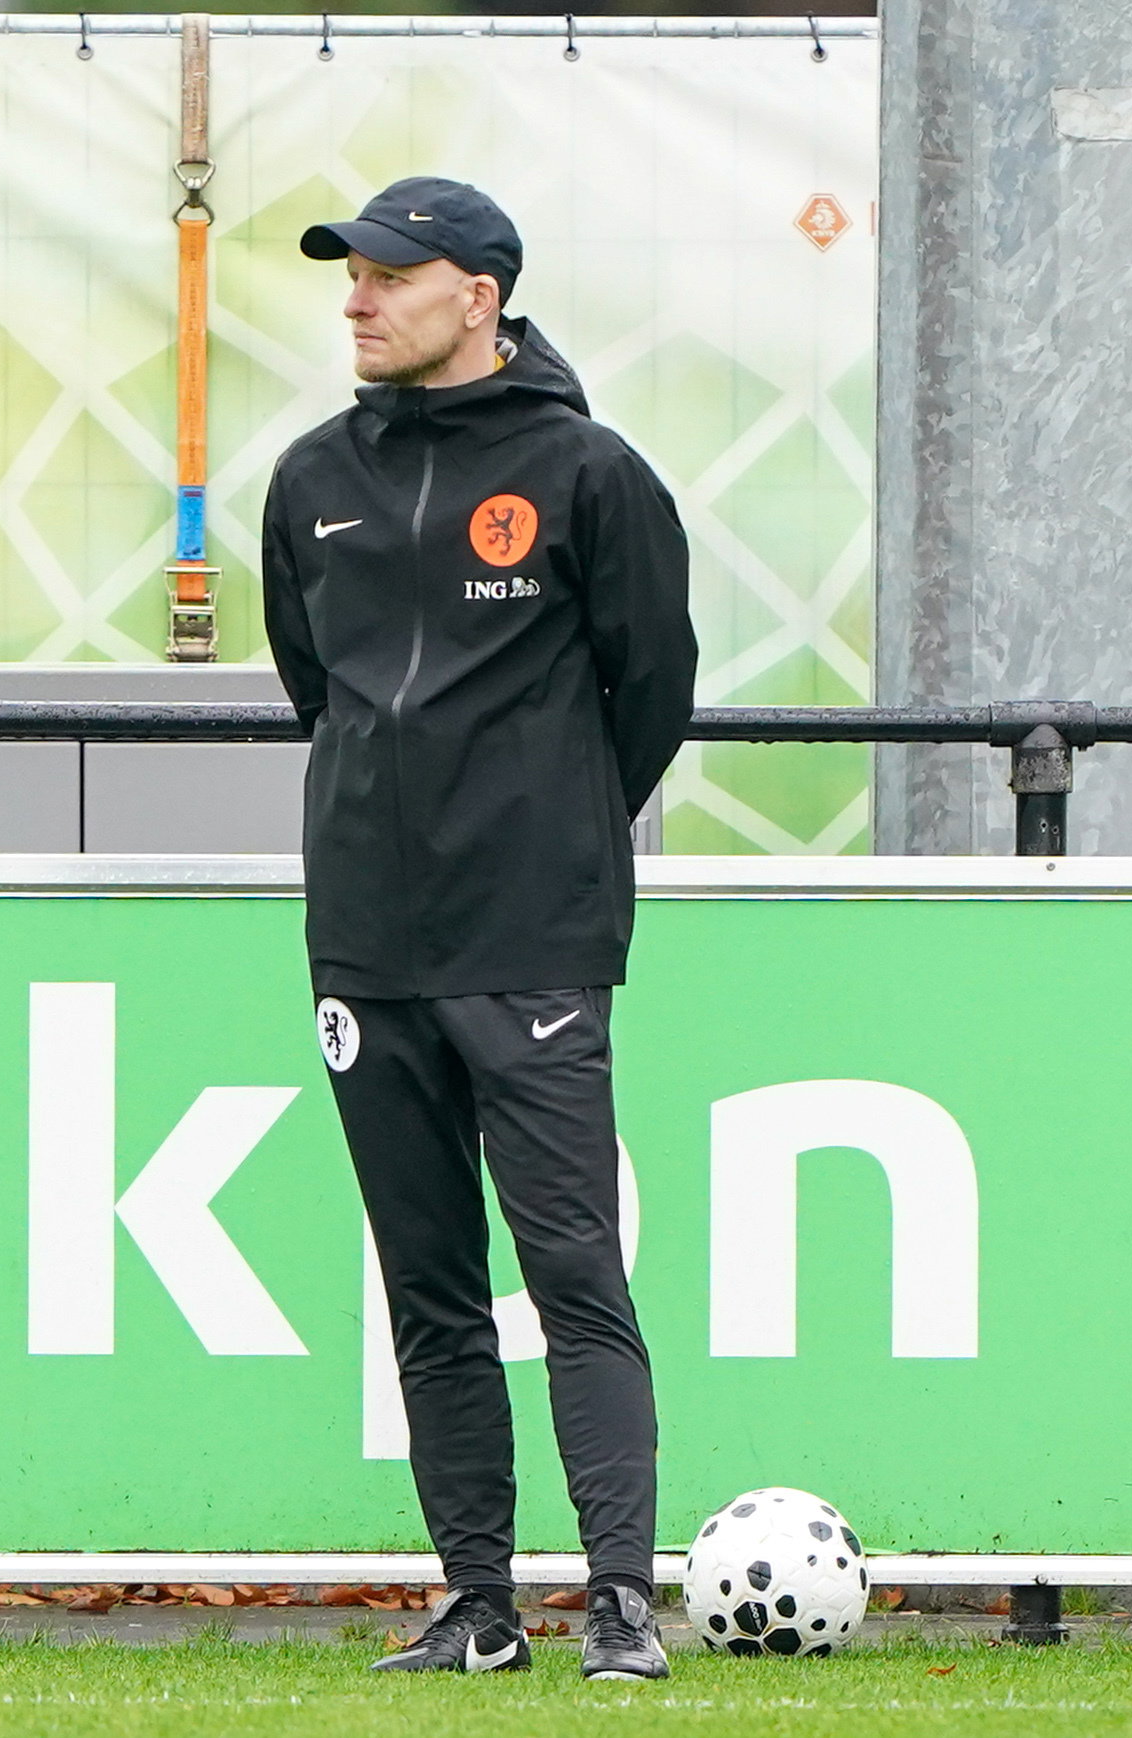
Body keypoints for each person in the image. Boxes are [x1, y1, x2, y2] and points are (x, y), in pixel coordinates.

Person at [259, 177, 697, 1682]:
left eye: (390, 274)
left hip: (534, 931)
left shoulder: (591, 474)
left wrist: (542, 826)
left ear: (480, 296)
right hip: (368, 938)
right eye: (352, 276)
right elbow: (315, 685)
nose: (358, 298)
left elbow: (651, 694)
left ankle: (624, 1600)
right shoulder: (311, 473)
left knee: (574, 1270)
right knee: (428, 1281)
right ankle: (478, 1603)